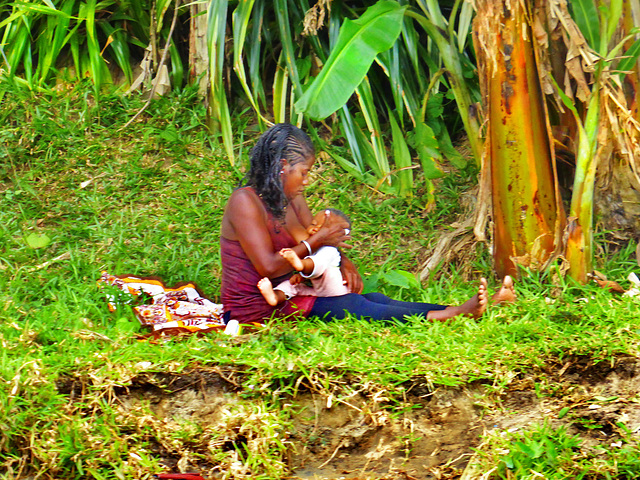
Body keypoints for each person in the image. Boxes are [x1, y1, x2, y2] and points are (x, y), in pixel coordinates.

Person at [219, 123, 515, 324]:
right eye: (304, 173)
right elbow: (269, 267)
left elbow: (316, 242)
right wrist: (321, 239)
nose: (307, 181)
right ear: (283, 168)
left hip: (295, 289)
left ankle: (458, 310)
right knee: (354, 307)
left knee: (373, 297)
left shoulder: (292, 196)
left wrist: (342, 259)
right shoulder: (244, 202)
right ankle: (452, 315)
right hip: (258, 307)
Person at [257, 208, 352, 306]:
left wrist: (300, 265)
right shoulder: (313, 249)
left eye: (323, 229)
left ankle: (300, 264)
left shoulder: (330, 251)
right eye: (313, 224)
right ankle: (275, 297)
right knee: (293, 285)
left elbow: (318, 267)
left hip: (338, 294)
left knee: (322, 262)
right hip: (318, 294)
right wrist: (301, 277)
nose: (315, 229)